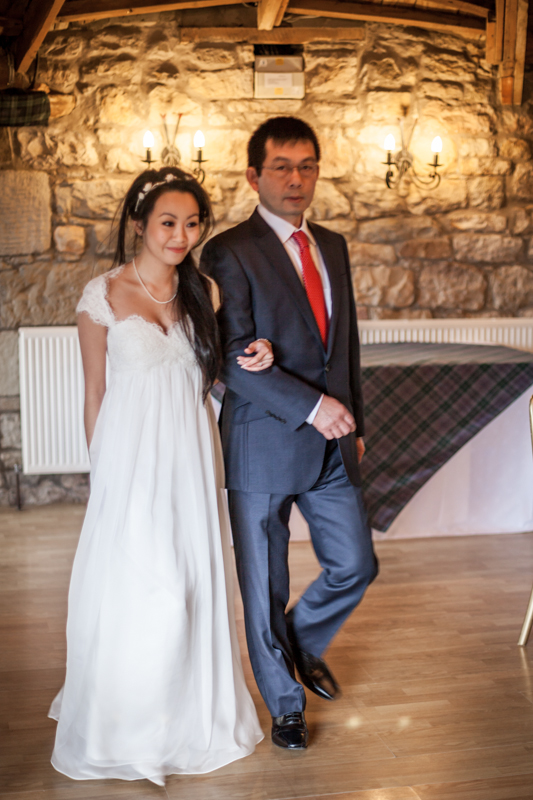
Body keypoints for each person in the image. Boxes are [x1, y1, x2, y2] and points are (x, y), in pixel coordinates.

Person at [49, 167, 272, 785]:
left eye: (192, 223)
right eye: (168, 222)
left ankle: (186, 716)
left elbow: (215, 374)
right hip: (131, 461)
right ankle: (128, 723)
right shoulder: (101, 297)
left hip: (191, 459)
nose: (180, 234)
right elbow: (94, 393)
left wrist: (256, 355)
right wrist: (105, 475)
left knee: (190, 583)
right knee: (150, 587)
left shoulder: (206, 291)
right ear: (141, 224)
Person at [201, 117, 378, 750]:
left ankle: (299, 642)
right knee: (265, 583)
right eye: (281, 166)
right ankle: (285, 706)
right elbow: (228, 353)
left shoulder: (332, 243)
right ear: (254, 175)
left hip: (334, 441)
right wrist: (313, 407)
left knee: (356, 563)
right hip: (262, 441)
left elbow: (345, 345)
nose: (296, 178)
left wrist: (352, 419)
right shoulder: (228, 249)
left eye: (307, 165)